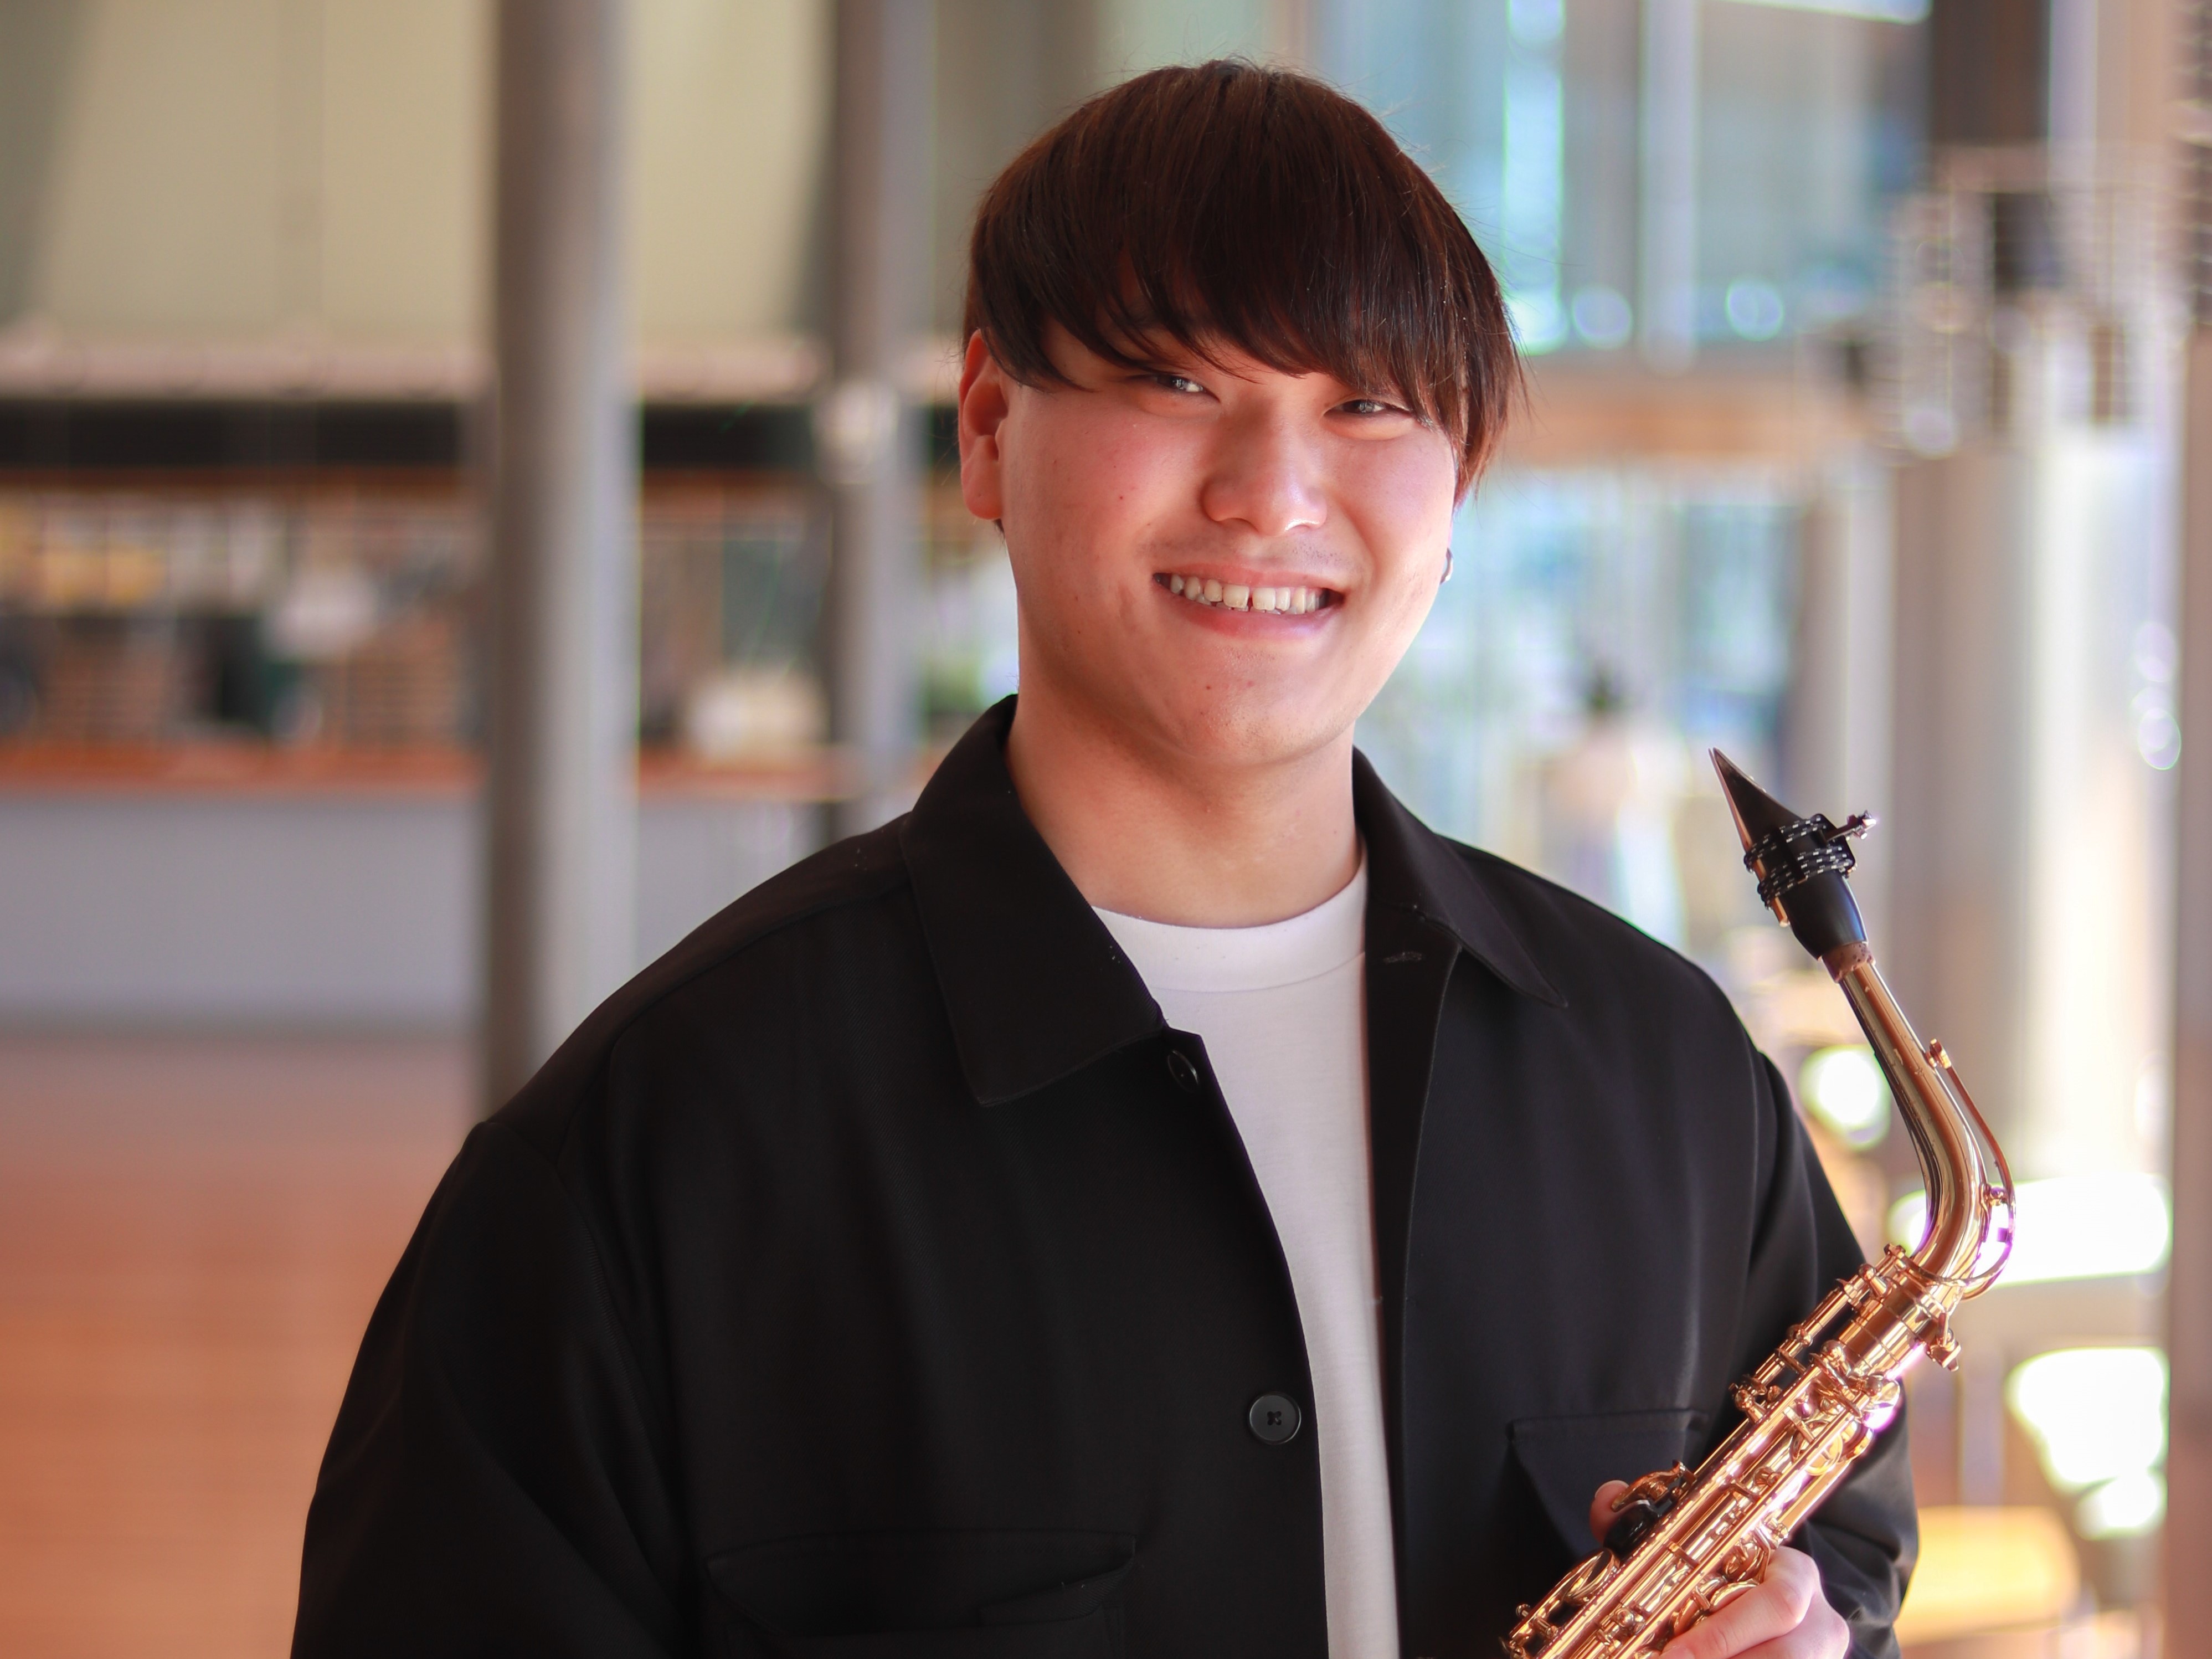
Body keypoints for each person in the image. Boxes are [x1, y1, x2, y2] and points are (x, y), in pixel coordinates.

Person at [292, 60, 1910, 1659]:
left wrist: (1804, 1633)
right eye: (1178, 385)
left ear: (1458, 481)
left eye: (1364, 405)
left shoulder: (1667, 1068)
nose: (1269, 494)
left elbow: (1841, 1541)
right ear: (990, 427)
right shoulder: (648, 1149)